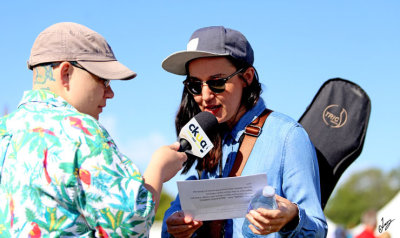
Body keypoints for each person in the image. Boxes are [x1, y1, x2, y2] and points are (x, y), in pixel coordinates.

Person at [0, 22, 187, 237]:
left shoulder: (5, 129)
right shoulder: (80, 132)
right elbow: (130, 226)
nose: (110, 93)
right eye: (103, 80)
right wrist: (159, 168)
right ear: (66, 73)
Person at [161, 26, 327, 237]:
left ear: (247, 77)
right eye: (194, 85)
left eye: (217, 82)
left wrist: (292, 218)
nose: (205, 96)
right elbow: (177, 214)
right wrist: (175, 225)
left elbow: (318, 229)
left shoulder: (287, 136)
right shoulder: (203, 138)